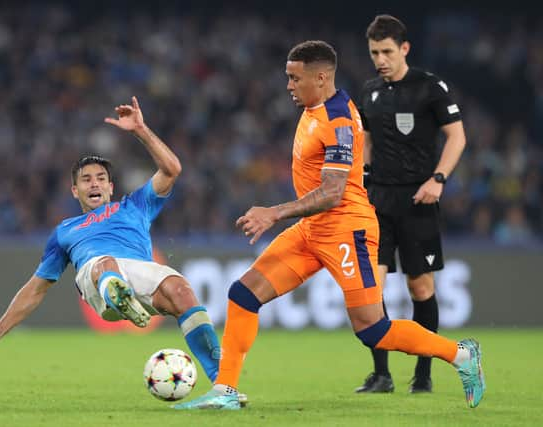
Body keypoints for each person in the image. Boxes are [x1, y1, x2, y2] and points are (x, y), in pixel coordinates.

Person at [174, 40, 484, 410]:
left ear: (320, 78)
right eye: (288, 77)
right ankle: (225, 390)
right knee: (243, 294)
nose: (288, 85)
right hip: (312, 231)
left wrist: (274, 212)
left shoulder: (336, 121)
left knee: (373, 330)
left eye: (294, 78)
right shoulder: (316, 106)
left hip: (347, 231)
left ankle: (461, 354)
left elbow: (334, 191)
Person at [0, 97, 223, 385]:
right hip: (96, 281)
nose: (94, 183)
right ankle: (115, 293)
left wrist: (140, 130)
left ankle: (223, 384)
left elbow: (172, 170)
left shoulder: (134, 206)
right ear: (75, 191)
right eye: (86, 180)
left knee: (182, 290)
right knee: (105, 264)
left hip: (138, 275)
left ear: (111, 187)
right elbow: (35, 289)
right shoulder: (64, 231)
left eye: (100, 178)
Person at [355, 14, 468, 394]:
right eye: (374, 52)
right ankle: (381, 374)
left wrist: (438, 179)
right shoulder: (369, 91)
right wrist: (364, 177)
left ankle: (423, 374)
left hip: (418, 200)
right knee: (372, 290)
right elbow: (366, 142)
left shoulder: (429, 87)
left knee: (420, 288)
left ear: (405, 49)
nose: (380, 59)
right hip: (378, 202)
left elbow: (457, 137)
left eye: (387, 51)